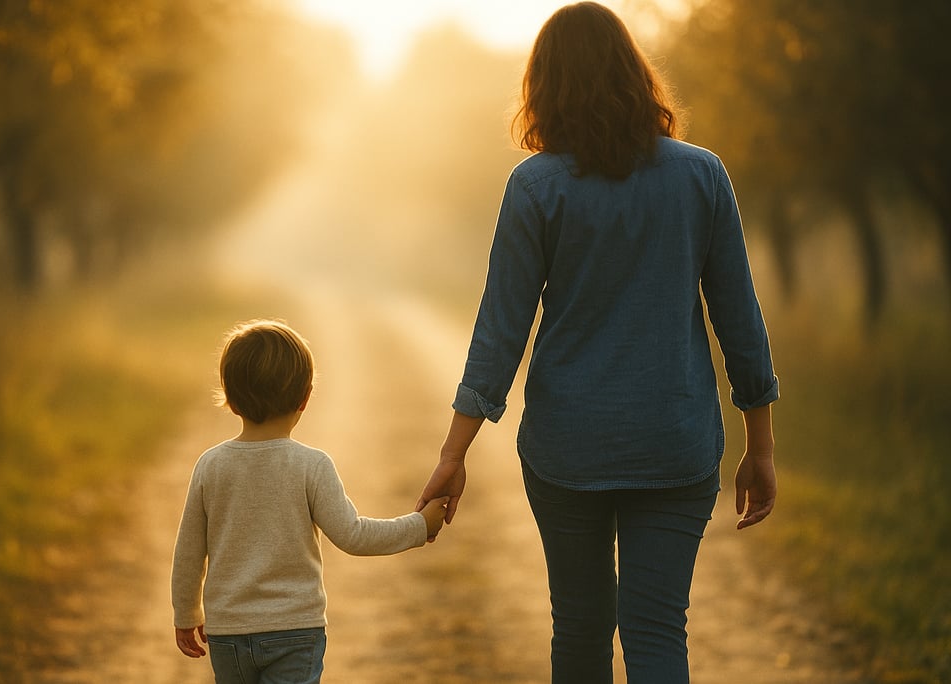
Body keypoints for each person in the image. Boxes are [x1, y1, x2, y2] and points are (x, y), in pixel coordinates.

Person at [415, 3, 779, 682]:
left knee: (579, 632)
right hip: (676, 442)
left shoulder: (535, 187)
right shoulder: (702, 176)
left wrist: (453, 452)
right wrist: (760, 446)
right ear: (636, 75)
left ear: (543, 86)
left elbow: (502, 327)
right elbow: (740, 321)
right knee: (657, 632)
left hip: (567, 449)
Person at [172, 319, 449, 684]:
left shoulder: (211, 465)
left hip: (228, 634)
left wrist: (186, 613)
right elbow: (353, 536)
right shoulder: (311, 465)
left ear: (230, 398)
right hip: (295, 630)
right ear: (305, 397)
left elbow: (189, 550)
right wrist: (419, 526)